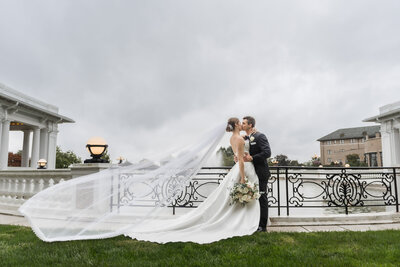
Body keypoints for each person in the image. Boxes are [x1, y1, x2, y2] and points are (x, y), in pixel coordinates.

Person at [242, 116, 271, 232]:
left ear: (250, 125)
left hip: (261, 172)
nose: (242, 125)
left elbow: (267, 152)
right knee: (252, 197)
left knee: (262, 197)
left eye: (244, 123)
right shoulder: (247, 138)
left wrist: (252, 158)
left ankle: (262, 226)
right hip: (250, 172)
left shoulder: (260, 136)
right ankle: (252, 222)